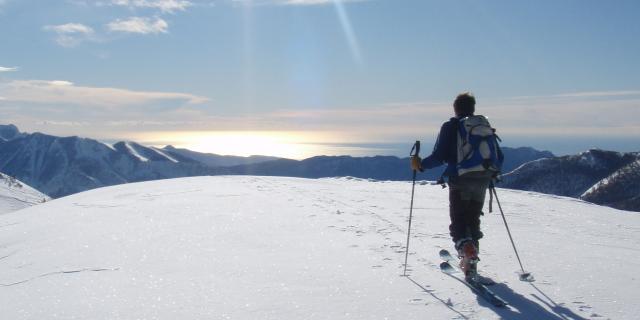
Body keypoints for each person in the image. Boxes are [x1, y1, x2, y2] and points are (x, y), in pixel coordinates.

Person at [411, 92, 503, 280]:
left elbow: (440, 156)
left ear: (455, 108)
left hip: (461, 180)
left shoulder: (452, 126)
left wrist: (420, 165)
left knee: (459, 222)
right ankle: (471, 263)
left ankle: (467, 252)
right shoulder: (483, 126)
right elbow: (499, 156)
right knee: (473, 219)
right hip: (483, 178)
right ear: (472, 107)